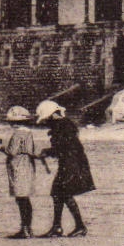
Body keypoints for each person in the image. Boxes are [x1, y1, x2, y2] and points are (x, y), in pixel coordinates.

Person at [37, 100, 94, 237]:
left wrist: (48, 151)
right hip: (71, 162)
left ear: (52, 115)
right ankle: (59, 227)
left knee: (63, 192)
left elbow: (63, 147)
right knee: (58, 193)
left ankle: (78, 226)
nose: (46, 122)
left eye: (47, 119)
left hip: (72, 163)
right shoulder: (65, 124)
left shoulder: (62, 126)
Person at [0, 106, 49, 238]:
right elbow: (31, 151)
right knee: (25, 198)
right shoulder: (28, 133)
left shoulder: (17, 134)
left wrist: (0, 147)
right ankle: (27, 228)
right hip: (28, 165)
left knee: (21, 198)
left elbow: (12, 152)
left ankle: (24, 229)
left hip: (18, 166)